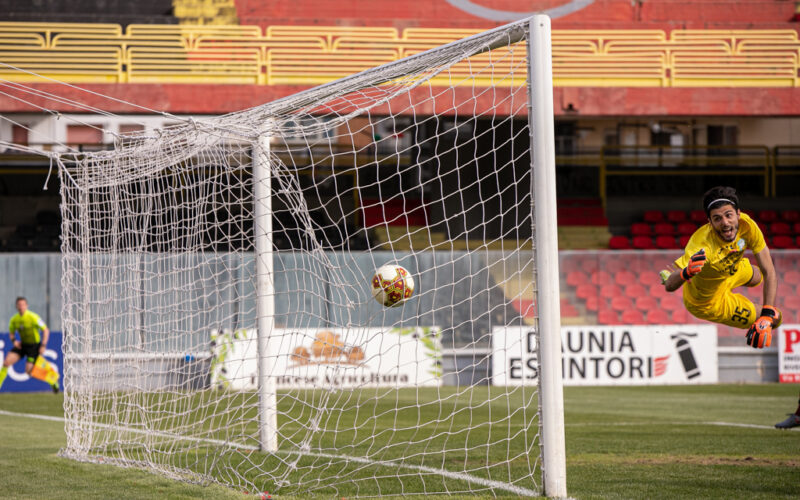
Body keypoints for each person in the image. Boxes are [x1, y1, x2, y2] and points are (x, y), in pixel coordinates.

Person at [658, 186, 796, 429]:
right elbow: (670, 287)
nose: (725, 223)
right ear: (709, 222)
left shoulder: (748, 226)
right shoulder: (700, 245)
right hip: (708, 300)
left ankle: (760, 306)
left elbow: (770, 270)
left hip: (731, 269)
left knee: (758, 277)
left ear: (738, 214)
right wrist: (686, 272)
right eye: (717, 218)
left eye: (729, 215)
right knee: (777, 319)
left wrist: (766, 311)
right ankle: (766, 315)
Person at [0, 297, 59, 393]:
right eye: (19, 305)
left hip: (33, 346)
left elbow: (45, 330)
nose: (21, 307)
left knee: (29, 371)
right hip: (22, 345)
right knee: (6, 362)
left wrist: (43, 345)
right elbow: (11, 333)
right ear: (16, 306)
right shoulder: (14, 319)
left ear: (26, 306)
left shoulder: (33, 317)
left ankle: (52, 380)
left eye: (23, 304)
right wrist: (14, 341)